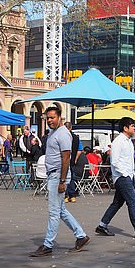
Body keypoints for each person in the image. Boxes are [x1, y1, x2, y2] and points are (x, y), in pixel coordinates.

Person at [31, 106, 90, 257]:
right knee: (61, 211)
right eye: (48, 118)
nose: (50, 120)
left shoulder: (63, 133)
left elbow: (66, 158)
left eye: (52, 117)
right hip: (54, 175)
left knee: (53, 212)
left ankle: (48, 244)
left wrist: (62, 181)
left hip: (58, 176)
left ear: (59, 117)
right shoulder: (53, 132)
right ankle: (81, 236)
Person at [95, 117, 135, 239]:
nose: (134, 128)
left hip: (128, 176)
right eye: (132, 126)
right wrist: (125, 174)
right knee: (132, 202)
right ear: (125, 128)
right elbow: (114, 161)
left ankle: (102, 225)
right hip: (122, 177)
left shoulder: (128, 141)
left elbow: (129, 159)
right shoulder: (118, 142)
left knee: (117, 203)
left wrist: (132, 174)